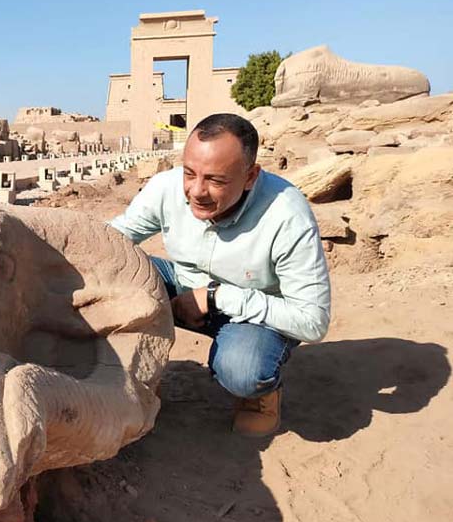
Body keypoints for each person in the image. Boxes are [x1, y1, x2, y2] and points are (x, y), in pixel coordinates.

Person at [108, 113, 330, 437]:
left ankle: (261, 395)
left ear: (251, 176)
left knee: (244, 370)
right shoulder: (166, 188)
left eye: (216, 180)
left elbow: (313, 320)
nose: (196, 191)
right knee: (113, 274)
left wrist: (215, 298)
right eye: (189, 173)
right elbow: (113, 240)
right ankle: (139, 379)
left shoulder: (286, 216)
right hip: (183, 286)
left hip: (254, 312)